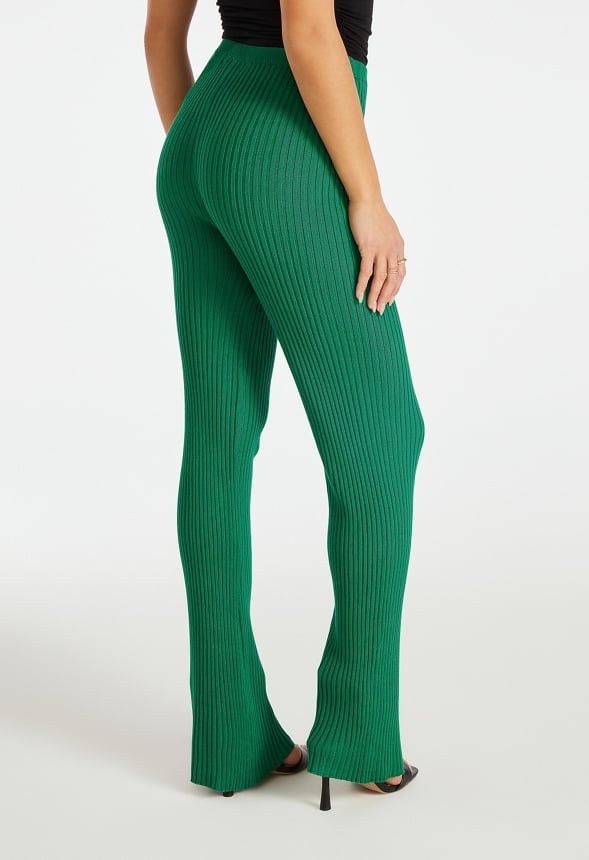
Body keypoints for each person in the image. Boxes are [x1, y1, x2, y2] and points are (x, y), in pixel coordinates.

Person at [144, 0, 425, 812]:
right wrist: (366, 199)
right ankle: (360, 733)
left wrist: (210, 158)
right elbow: (307, 30)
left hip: (197, 137)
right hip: (279, 139)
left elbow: (160, 32)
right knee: (384, 437)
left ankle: (230, 737)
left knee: (219, 437)